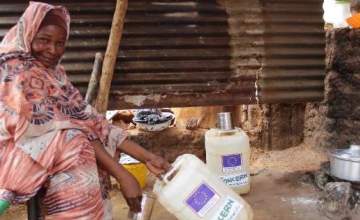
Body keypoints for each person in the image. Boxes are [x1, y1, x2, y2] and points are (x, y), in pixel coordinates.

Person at [0, 1, 171, 219]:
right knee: (77, 143)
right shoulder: (14, 67)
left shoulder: (54, 73)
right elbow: (66, 126)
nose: (53, 50)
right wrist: (122, 175)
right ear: (28, 33)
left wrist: (147, 157)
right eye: (44, 40)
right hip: (12, 154)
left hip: (45, 151)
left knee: (86, 142)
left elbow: (88, 119)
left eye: (60, 42)